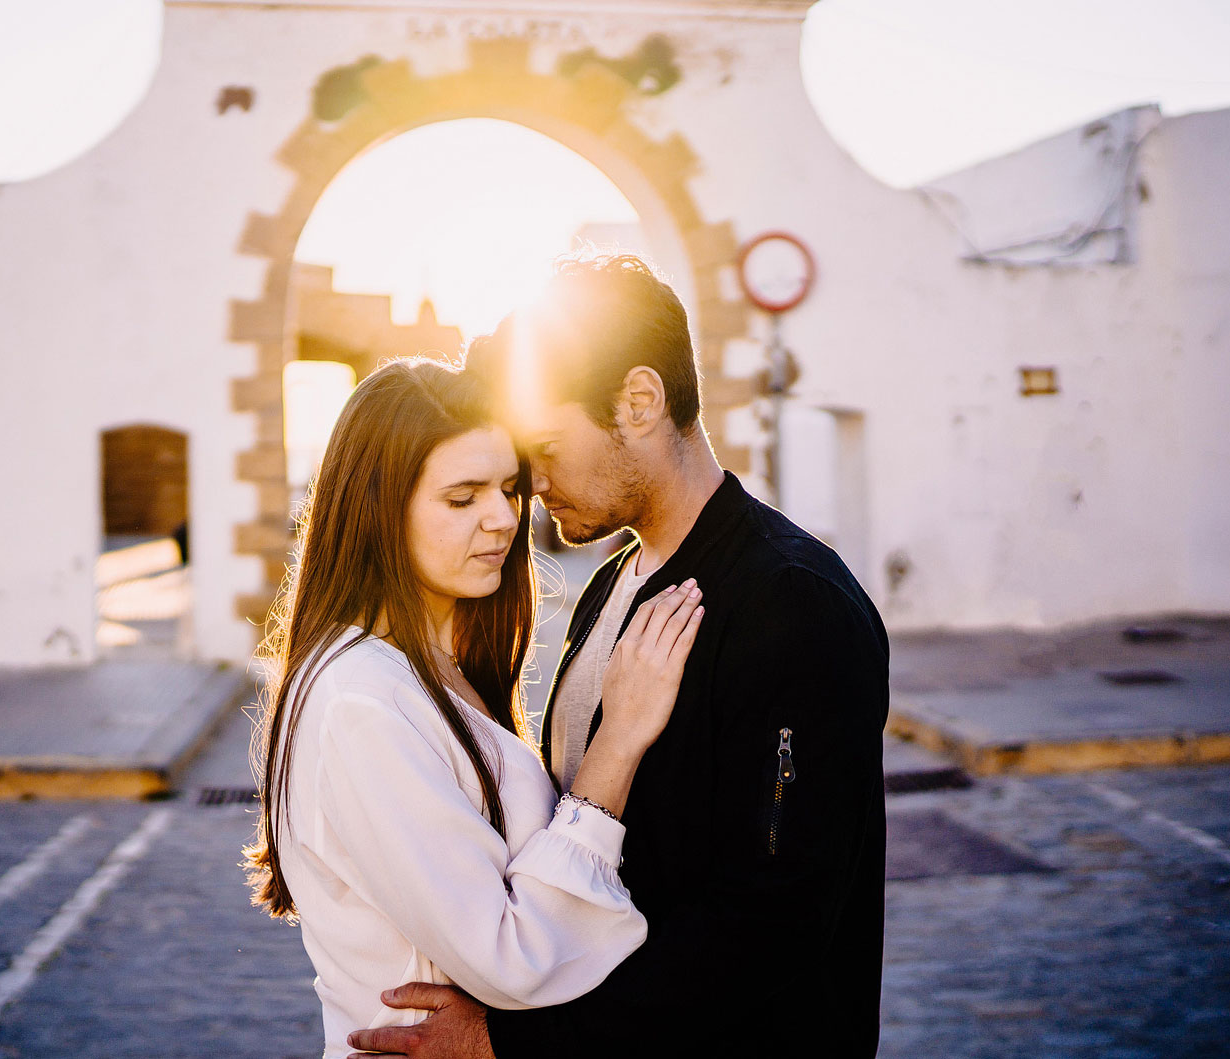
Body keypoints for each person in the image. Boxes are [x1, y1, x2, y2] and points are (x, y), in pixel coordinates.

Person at [346, 254, 891, 1058]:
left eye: (543, 446)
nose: (525, 484)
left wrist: (514, 1043)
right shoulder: (608, 585)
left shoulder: (792, 600)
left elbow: (772, 923)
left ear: (639, 401)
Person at [243, 357, 706, 1058]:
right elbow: (510, 956)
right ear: (377, 509)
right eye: (462, 497)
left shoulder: (430, 665)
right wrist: (620, 740)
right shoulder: (358, 699)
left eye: (510, 487)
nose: (503, 517)